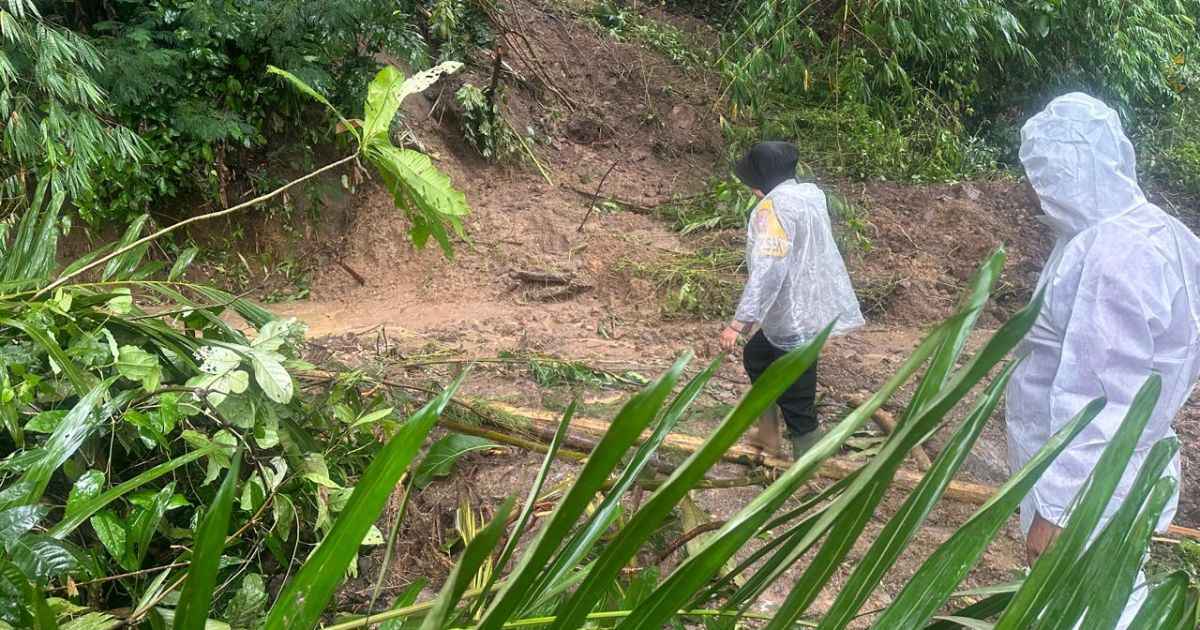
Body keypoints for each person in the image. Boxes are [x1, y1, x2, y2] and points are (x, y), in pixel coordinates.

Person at [1007, 92, 1200, 627]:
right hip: (1131, 466)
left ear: (1068, 170)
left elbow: (1101, 397)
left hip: (1088, 483)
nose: (1038, 192)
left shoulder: (1112, 253)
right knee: (1113, 591)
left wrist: (1060, 512)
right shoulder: (1163, 233)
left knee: (1079, 608)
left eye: (1042, 175)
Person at [719, 141, 865, 458]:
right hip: (809, 303)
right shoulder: (809, 196)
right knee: (757, 358)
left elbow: (769, 268)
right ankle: (769, 435)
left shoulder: (773, 209)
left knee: (797, 395)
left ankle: (807, 465)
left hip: (792, 314)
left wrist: (739, 323)